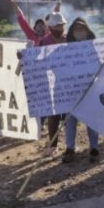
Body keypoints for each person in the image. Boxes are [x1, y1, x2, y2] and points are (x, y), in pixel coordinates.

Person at [62, 18, 101, 163]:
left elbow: (102, 64)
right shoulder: (65, 50)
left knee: (91, 121)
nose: (79, 30)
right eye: (76, 28)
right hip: (71, 91)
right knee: (70, 120)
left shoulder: (95, 48)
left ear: (87, 31)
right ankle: (70, 148)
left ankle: (94, 148)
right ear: (72, 32)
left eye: (82, 28)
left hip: (90, 89)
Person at [40, 11, 68, 156]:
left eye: (62, 25)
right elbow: (37, 61)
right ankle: (53, 145)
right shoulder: (44, 42)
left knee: (70, 114)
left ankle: (70, 145)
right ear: (50, 28)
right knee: (54, 114)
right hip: (52, 83)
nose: (60, 28)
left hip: (69, 82)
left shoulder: (68, 39)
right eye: (57, 26)